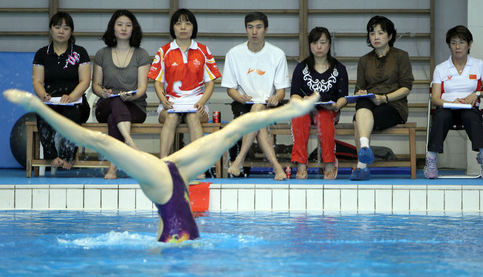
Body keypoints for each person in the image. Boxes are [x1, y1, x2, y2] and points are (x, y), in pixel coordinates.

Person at [4, 89, 319, 243]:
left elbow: (166, 229)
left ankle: (294, 109)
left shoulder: (166, 235)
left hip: (173, 174)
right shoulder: (167, 216)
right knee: (100, 142)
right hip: (168, 179)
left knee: (233, 130)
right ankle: (38, 107)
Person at [148, 9, 221, 179]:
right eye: (178, 23)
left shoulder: (203, 50)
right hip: (171, 104)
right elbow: (157, 81)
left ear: (193, 27)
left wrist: (202, 102)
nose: (183, 27)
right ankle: (163, 164)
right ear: (172, 27)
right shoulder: (164, 51)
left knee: (193, 117)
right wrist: (163, 100)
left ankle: (198, 167)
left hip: (196, 104)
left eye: (187, 23)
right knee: (172, 117)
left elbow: (211, 82)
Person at [221, 12, 291, 181]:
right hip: (243, 103)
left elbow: (281, 90)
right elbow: (230, 89)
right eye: (250, 27)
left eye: (258, 27)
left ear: (265, 30)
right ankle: (277, 167)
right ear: (246, 29)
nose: (254, 32)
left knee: (258, 109)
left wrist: (276, 97)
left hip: (269, 103)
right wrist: (239, 97)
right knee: (257, 115)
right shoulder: (234, 54)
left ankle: (239, 160)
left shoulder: (277, 54)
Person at [425, 25, 483, 179]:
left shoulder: (478, 65)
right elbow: (435, 98)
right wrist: (449, 102)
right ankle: (431, 160)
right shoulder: (441, 68)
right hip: (447, 108)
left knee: (472, 117)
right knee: (441, 116)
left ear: (469, 44)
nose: (458, 47)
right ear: (449, 45)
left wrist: (476, 94)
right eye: (453, 43)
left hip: (469, 109)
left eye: (462, 42)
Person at [351, 15, 414, 181]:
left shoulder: (401, 56)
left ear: (390, 36)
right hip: (370, 104)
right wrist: (360, 93)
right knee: (362, 104)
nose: (376, 37)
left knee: (358, 120)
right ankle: (365, 148)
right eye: (372, 33)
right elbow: (358, 87)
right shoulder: (364, 60)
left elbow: (406, 87)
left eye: (380, 33)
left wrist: (384, 98)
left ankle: (362, 167)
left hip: (393, 105)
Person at [92, 10, 151, 179]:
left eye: (128, 25)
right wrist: (102, 92)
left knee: (114, 118)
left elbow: (142, 88)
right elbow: (95, 85)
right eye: (120, 24)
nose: (124, 28)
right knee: (115, 101)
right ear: (113, 28)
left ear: (134, 29)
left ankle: (113, 167)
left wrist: (131, 97)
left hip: (135, 106)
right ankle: (129, 141)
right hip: (106, 104)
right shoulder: (102, 54)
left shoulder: (141, 54)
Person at [32, 12, 91, 170]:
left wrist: (71, 97)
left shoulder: (80, 53)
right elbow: (37, 81)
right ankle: (50, 156)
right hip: (51, 101)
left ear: (71, 31)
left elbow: (85, 81)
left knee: (72, 114)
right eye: (57, 27)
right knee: (42, 112)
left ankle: (68, 157)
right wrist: (43, 95)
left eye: (65, 28)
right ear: (51, 29)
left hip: (75, 101)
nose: (61, 31)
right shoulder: (42, 54)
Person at [290, 27, 348, 180]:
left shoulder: (339, 69)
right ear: (310, 45)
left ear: (329, 44)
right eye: (315, 43)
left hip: (329, 110)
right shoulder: (301, 67)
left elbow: (343, 97)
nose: (319, 47)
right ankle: (301, 163)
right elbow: (294, 95)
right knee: (299, 117)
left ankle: (329, 162)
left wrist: (336, 106)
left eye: (323, 42)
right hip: (306, 109)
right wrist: (302, 101)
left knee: (323, 117)